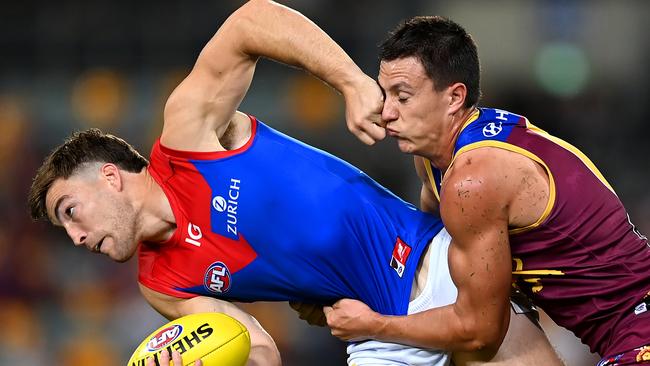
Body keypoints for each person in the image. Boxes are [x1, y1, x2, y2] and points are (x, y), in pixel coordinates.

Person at [28, 1, 560, 365]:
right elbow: (253, 346)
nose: (75, 238)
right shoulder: (159, 284)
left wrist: (352, 83)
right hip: (374, 335)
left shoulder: (187, 136)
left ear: (109, 176)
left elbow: (251, 20)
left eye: (70, 210)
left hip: (433, 267)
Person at [324, 15, 650, 366]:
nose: (386, 112)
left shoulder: (472, 179)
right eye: (384, 94)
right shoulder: (441, 156)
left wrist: (372, 325)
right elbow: (431, 257)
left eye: (402, 96)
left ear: (454, 98)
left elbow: (479, 333)